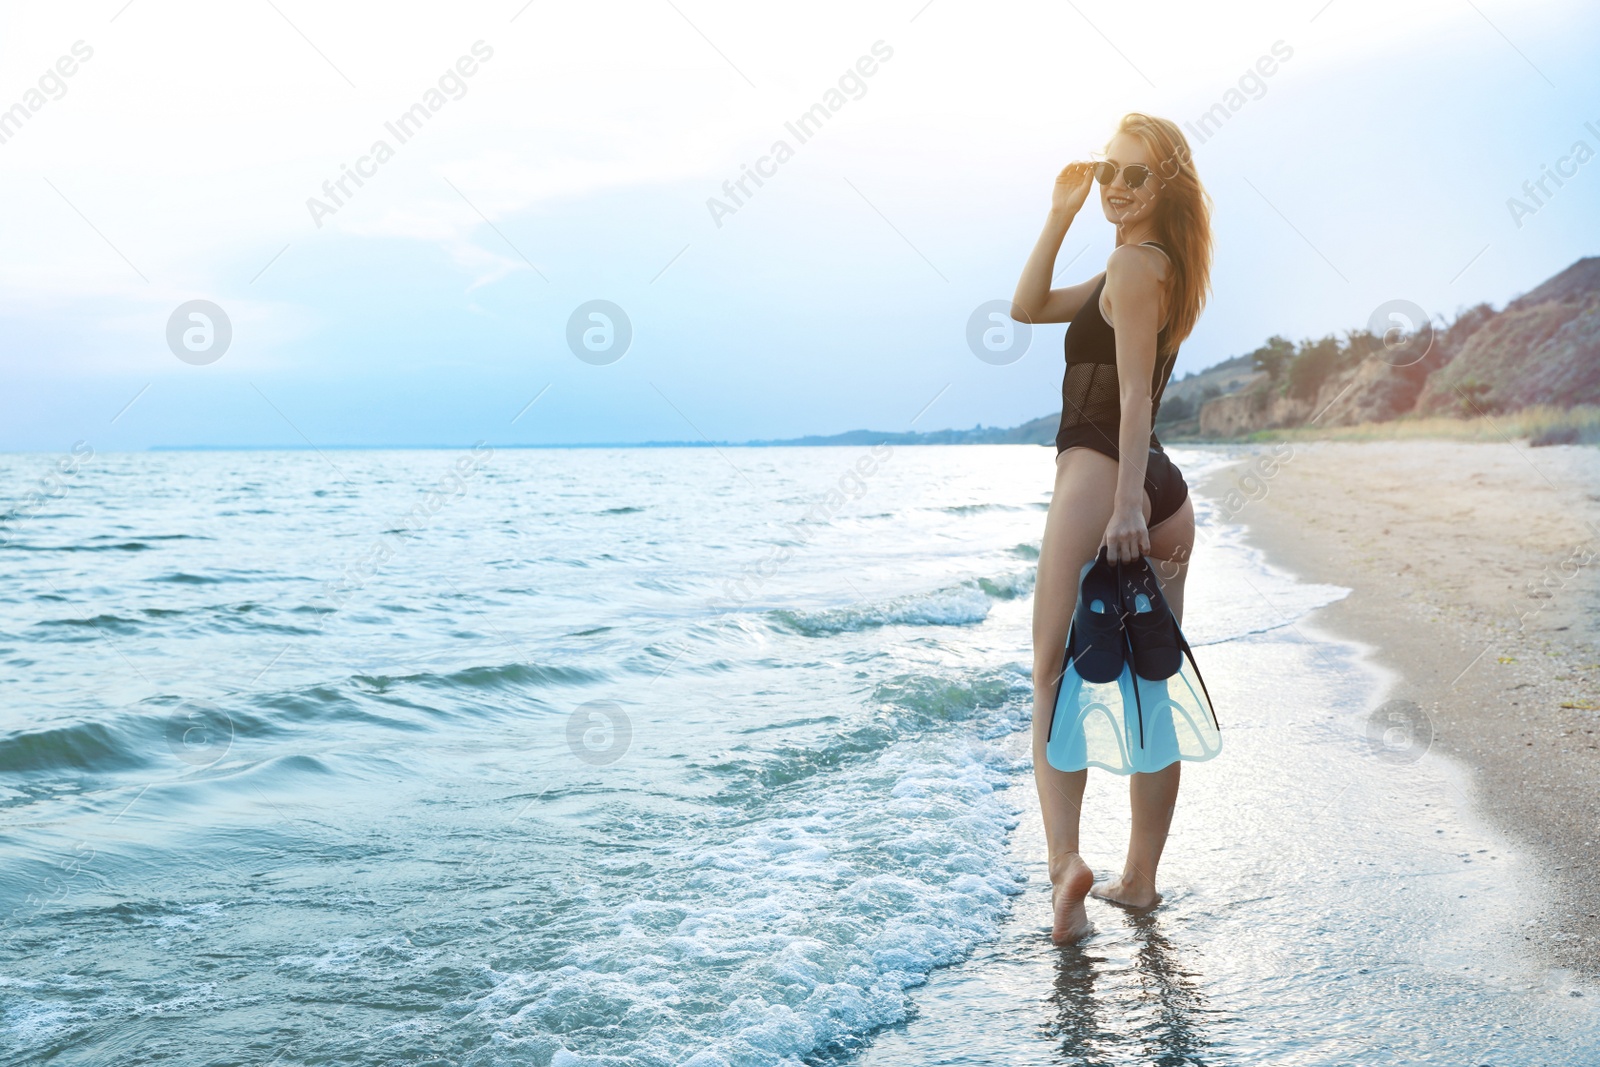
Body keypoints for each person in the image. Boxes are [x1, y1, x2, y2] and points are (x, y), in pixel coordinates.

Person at [1010, 113, 1213, 944]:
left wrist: (1124, 502)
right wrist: (1060, 211)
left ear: (1167, 184)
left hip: (1109, 476)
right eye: (1109, 175)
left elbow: (1133, 395)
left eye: (1135, 175)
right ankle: (1139, 882)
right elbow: (1027, 306)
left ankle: (1066, 868)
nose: (1118, 189)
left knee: (1052, 672)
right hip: (1167, 494)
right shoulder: (1150, 265)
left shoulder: (1134, 264)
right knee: (1148, 680)